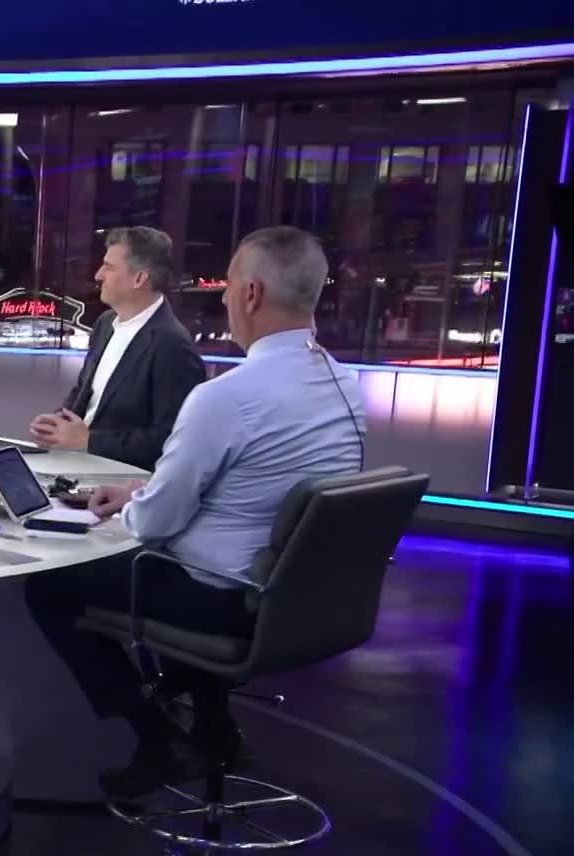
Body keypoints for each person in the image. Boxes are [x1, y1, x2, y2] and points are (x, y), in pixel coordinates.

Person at [24, 225, 365, 798]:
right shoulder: (345, 386)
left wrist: (134, 505)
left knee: (50, 586)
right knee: (164, 547)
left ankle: (158, 740)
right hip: (300, 597)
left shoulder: (226, 396)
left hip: (222, 595)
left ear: (251, 294)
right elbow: (252, 485)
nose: (223, 296)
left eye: (228, 284)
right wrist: (142, 491)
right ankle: (212, 725)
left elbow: (154, 525)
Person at [29, 227, 205, 470]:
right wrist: (58, 423)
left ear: (139, 279)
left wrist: (89, 441)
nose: (98, 275)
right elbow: (85, 392)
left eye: (108, 267)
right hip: (77, 462)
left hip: (121, 477)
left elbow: (170, 440)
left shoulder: (172, 346)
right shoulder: (105, 324)